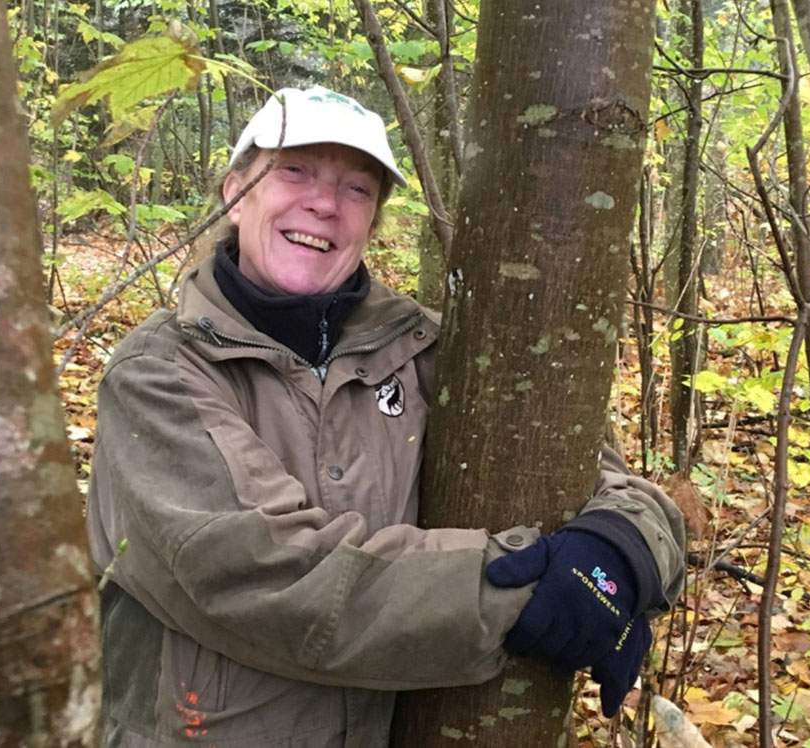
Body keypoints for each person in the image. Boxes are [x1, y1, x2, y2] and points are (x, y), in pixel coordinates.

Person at [85, 85, 686, 747]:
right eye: (295, 171)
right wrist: (535, 591)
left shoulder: (431, 350)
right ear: (236, 191)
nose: (324, 203)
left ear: (373, 223)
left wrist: (620, 556)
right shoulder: (159, 372)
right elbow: (261, 570)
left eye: (356, 189)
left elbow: (605, 480)